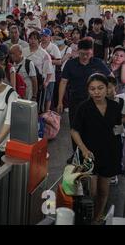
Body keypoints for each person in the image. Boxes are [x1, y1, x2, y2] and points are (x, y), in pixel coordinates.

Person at [70, 73, 123, 224]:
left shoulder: (115, 107)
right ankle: (86, 217)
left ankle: (96, 218)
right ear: (88, 90)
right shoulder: (84, 107)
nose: (96, 92)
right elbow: (74, 131)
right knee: (91, 190)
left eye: (100, 88)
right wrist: (84, 150)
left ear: (107, 89)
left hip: (109, 153)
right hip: (89, 155)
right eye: (92, 89)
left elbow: (118, 128)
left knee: (103, 191)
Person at [57, 38, 112, 153]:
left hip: (94, 102)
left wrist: (109, 91)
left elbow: (110, 77)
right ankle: (77, 155)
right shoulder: (71, 64)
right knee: (75, 129)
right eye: (82, 54)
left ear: (91, 51)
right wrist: (60, 101)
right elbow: (63, 82)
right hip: (76, 101)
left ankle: (91, 154)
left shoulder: (97, 62)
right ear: (77, 51)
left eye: (88, 54)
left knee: (92, 128)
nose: (85, 57)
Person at [27, 31, 55, 112]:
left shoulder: (44, 54)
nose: (32, 41)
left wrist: (46, 83)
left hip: (38, 83)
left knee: (36, 107)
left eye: (35, 39)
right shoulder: (24, 51)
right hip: (25, 82)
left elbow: (49, 72)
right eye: (31, 38)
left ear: (39, 41)